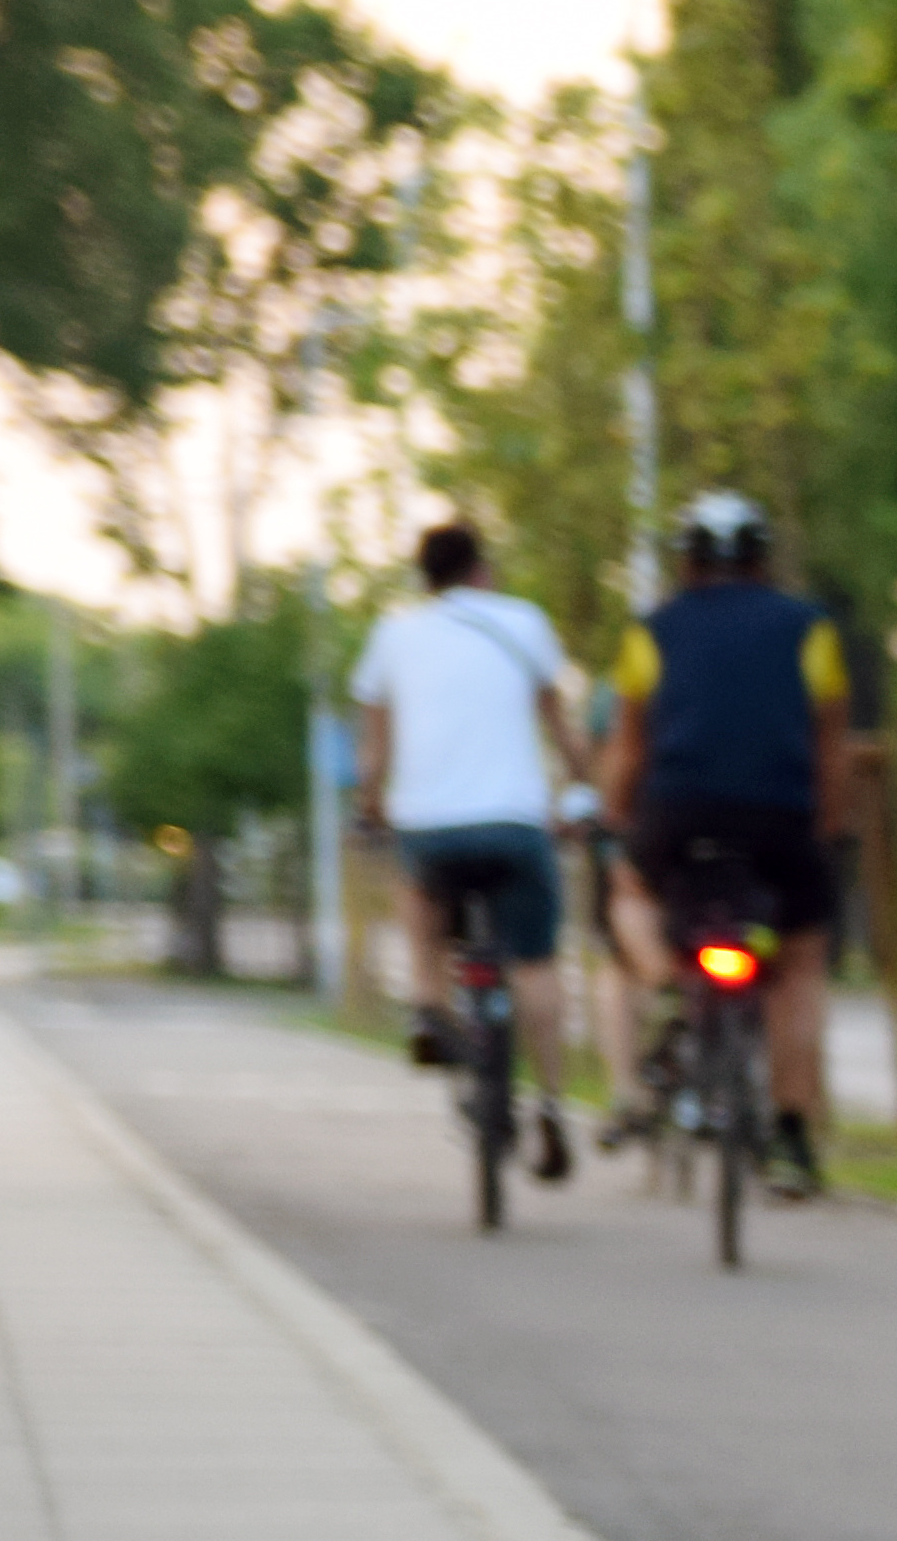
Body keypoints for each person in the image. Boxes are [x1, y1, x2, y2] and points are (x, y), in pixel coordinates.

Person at [605, 489, 854, 1198]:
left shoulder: (649, 632)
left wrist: (617, 822)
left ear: (686, 561)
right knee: (798, 963)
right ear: (762, 559)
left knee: (628, 889)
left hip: (680, 815)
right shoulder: (813, 630)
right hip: (780, 817)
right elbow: (830, 748)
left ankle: (667, 984)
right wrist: (827, 830)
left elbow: (630, 749)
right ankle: (792, 1141)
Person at [351, 519, 595, 1180]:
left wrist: (370, 806)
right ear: (481, 570)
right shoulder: (524, 622)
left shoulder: (393, 633)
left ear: (423, 579)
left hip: (431, 826)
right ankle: (548, 1104)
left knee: (421, 896)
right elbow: (562, 728)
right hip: (516, 824)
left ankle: (429, 1006)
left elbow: (375, 750)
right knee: (536, 964)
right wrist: (586, 789)